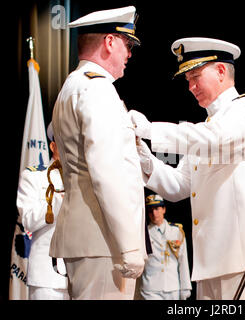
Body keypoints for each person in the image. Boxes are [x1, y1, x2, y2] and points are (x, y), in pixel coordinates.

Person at [129, 37, 245, 300]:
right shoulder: (207, 127)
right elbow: (179, 184)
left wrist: (149, 129)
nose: (191, 87)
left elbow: (213, 139)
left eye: (195, 76)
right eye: (187, 80)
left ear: (221, 71)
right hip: (209, 261)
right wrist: (143, 157)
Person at [49, 6, 148, 300]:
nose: (129, 54)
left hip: (91, 239)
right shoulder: (97, 89)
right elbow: (108, 172)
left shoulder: (74, 85)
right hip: (104, 240)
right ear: (109, 42)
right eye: (127, 44)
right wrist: (128, 244)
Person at [17, 123, 69, 300]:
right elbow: (28, 221)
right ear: (53, 146)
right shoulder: (33, 176)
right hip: (48, 278)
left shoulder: (87, 180)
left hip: (83, 276)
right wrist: (58, 201)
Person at [136, 194, 192, 300]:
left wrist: (185, 287)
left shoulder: (176, 231)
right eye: (150, 210)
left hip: (173, 286)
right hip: (150, 288)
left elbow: (183, 260)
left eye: (157, 209)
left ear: (164, 209)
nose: (154, 213)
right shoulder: (143, 234)